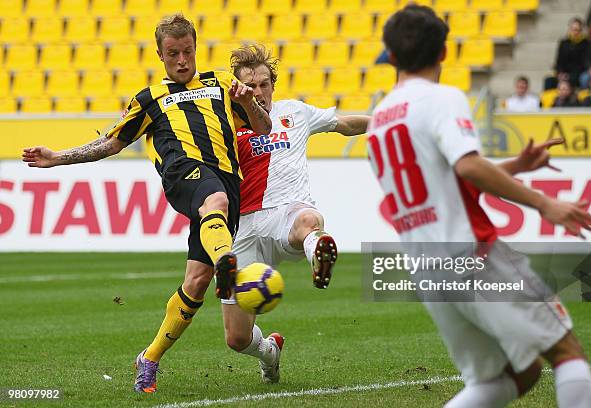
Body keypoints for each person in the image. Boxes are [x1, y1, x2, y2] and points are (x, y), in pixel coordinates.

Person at [21, 13, 272, 393]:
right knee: (213, 200)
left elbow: (263, 128)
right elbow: (110, 143)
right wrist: (57, 158)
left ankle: (149, 358)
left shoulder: (222, 84)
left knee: (197, 281)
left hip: (225, 190)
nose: (182, 60)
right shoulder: (149, 99)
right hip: (184, 174)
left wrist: (250, 103)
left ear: (195, 48)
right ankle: (227, 261)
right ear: (160, 54)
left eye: (187, 51)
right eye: (173, 54)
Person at [368, 5, 591, 408]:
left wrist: (514, 167)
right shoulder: (441, 98)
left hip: (428, 270)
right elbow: (468, 165)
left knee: (513, 375)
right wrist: (545, 203)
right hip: (472, 254)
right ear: (444, 53)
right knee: (566, 351)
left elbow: (444, 178)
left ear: (389, 56)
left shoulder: (379, 121)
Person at [215, 44, 370, 383]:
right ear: (238, 88)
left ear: (273, 85)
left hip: (286, 211)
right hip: (241, 229)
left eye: (264, 85)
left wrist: (385, 123)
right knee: (237, 338)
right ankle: (269, 351)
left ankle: (319, 252)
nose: (258, 92)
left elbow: (343, 123)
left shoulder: (295, 112)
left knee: (308, 221)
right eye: (250, 86)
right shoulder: (224, 121)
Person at [546, 18, 589, 89]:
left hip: (577, 73)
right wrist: (560, 73)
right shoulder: (563, 43)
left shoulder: (586, 44)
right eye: (573, 29)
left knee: (572, 79)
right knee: (548, 81)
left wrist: (568, 75)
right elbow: (559, 61)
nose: (575, 32)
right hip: (563, 72)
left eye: (577, 30)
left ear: (581, 31)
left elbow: (583, 63)